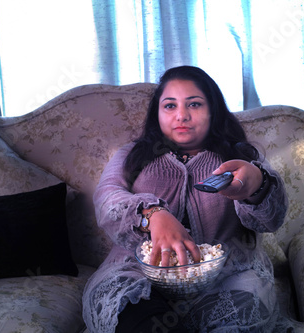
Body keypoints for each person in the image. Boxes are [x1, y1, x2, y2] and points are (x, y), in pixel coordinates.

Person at [82, 66, 293, 332]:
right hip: (136, 272)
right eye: (170, 106)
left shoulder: (240, 156)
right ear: (157, 114)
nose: (182, 115)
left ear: (213, 111)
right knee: (134, 318)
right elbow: (106, 198)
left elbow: (272, 219)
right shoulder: (131, 155)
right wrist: (152, 214)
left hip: (228, 274)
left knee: (237, 316)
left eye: (194, 104)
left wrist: (258, 185)